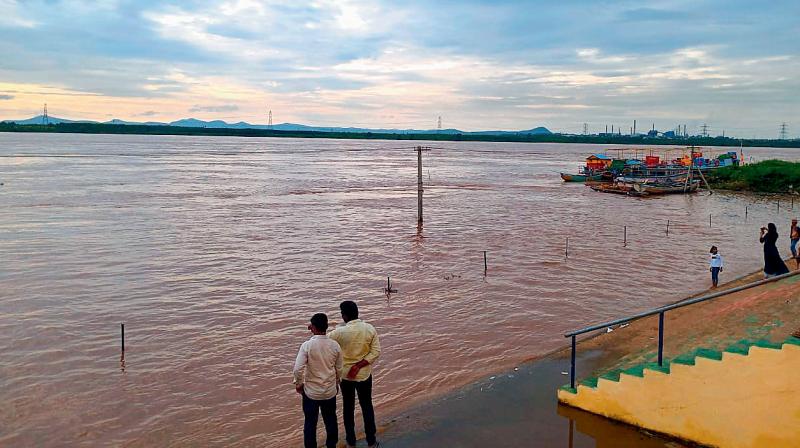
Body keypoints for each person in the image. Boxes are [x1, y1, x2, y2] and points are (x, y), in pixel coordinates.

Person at [329, 301, 381, 448]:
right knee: (367, 406)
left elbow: (324, 342)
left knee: (348, 407)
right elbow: (376, 352)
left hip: (346, 376)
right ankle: (371, 441)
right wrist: (359, 366)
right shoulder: (369, 329)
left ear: (344, 316)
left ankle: (351, 442)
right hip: (364, 374)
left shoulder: (339, 332)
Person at [293, 313, 343, 448]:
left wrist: (298, 384)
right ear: (326, 327)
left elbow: (298, 369)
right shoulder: (335, 346)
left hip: (311, 393)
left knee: (310, 423)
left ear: (312, 327)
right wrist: (336, 382)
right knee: (331, 420)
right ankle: (331, 445)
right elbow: (340, 369)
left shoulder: (307, 346)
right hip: (329, 391)